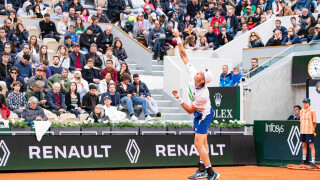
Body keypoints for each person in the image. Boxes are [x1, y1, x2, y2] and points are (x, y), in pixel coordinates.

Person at [171, 29, 219, 180]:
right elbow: (183, 55)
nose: (197, 72)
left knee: (199, 144)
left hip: (204, 115)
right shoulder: (193, 74)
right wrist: (178, 38)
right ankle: (202, 169)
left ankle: (211, 173)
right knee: (201, 143)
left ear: (202, 80)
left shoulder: (202, 95)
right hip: (200, 113)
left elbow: (190, 110)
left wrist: (179, 99)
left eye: (200, 74)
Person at [299, 98, 317, 168]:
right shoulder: (301, 111)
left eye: (306, 102)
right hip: (303, 131)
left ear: (309, 103)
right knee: (303, 145)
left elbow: (314, 122)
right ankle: (303, 161)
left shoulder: (312, 111)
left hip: (309, 131)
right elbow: (301, 121)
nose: (305, 104)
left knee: (311, 146)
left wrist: (313, 130)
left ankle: (313, 161)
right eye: (304, 102)